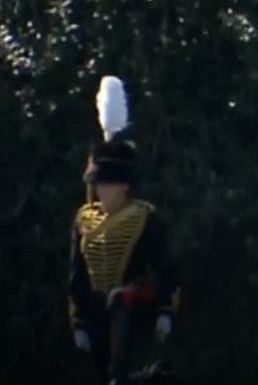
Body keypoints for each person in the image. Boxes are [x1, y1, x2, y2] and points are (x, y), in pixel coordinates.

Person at [68, 76, 179, 385]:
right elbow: (76, 276)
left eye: (108, 183)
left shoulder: (144, 218)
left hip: (136, 313)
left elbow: (165, 270)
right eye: (99, 183)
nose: (101, 190)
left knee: (120, 300)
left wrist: (165, 311)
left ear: (125, 186)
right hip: (97, 318)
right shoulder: (83, 220)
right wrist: (78, 321)